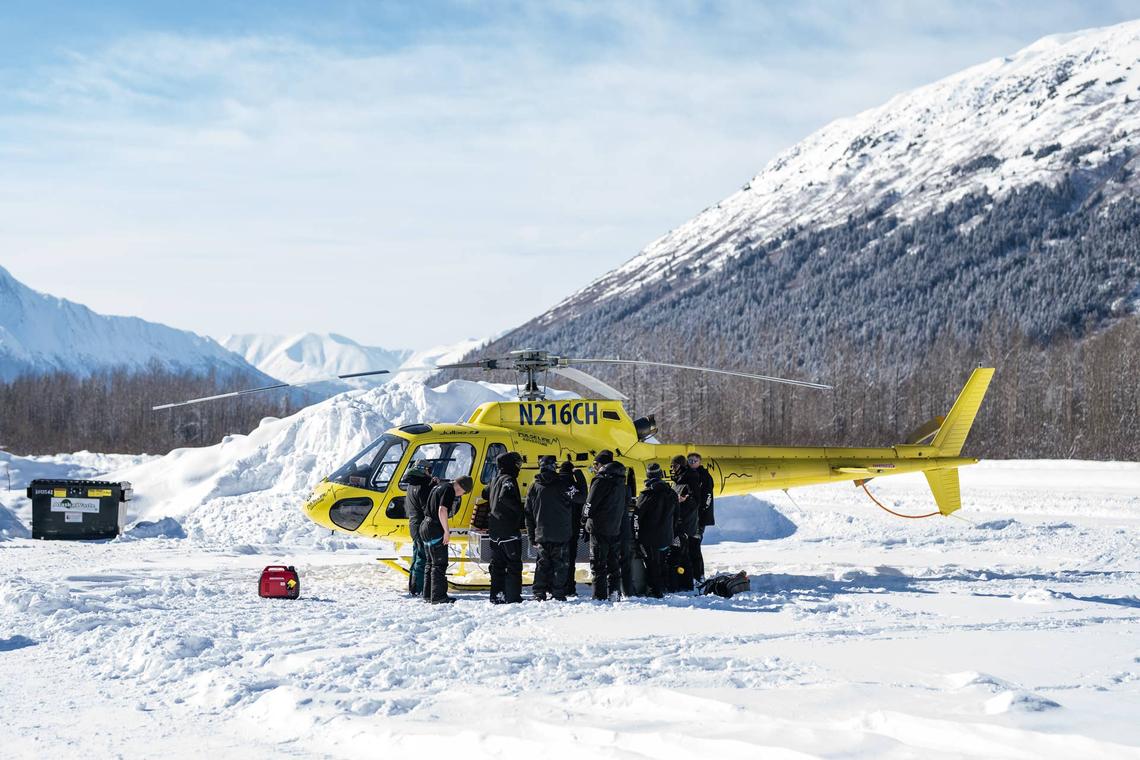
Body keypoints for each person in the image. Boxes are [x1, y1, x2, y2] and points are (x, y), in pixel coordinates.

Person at [419, 475, 473, 604]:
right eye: (463, 493)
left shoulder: (439, 486)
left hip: (425, 526)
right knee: (439, 564)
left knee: (430, 563)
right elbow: (442, 510)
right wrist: (446, 531)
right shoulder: (449, 490)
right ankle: (438, 597)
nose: (460, 496)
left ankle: (428, 595)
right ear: (462, 487)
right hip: (435, 528)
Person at [525, 455, 571, 601]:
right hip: (561, 532)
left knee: (542, 564)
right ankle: (558, 593)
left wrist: (531, 535)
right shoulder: (563, 484)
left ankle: (539, 592)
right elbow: (580, 497)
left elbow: (528, 513)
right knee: (560, 565)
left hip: (541, 532)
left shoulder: (534, 486)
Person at [582, 449, 626, 601]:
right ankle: (614, 592)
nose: (594, 467)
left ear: (602, 464)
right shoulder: (620, 480)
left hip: (599, 528)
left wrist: (584, 519)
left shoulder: (600, 480)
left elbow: (589, 504)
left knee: (598, 564)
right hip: (615, 527)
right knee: (613, 564)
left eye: (595, 464)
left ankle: (599, 596)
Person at [635, 462, 676, 598]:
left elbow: (637, 515)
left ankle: (655, 590)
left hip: (650, 536)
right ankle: (662, 587)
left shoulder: (647, 494)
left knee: (652, 563)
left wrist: (636, 533)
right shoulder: (671, 493)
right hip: (666, 536)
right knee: (662, 562)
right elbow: (677, 515)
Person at [489, 451, 525, 604]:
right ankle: (513, 597)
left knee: (497, 565)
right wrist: (520, 510)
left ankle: (497, 596)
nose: (519, 468)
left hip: (495, 530)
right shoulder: (508, 480)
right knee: (514, 565)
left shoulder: (494, 479)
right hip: (508, 530)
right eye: (517, 464)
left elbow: (486, 494)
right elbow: (505, 497)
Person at [403, 461, 435, 596]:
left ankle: (413, 586)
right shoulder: (423, 486)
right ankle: (418, 589)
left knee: (416, 556)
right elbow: (426, 508)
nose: (430, 473)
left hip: (413, 525)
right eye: (429, 470)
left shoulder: (411, 485)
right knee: (422, 558)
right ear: (424, 470)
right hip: (421, 526)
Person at [669, 454, 700, 591]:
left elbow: (695, 501)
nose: (673, 469)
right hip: (680, 522)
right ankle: (683, 582)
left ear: (681, 466)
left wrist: (684, 501)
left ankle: (686, 583)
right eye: (672, 466)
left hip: (685, 523)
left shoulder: (689, 478)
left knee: (683, 554)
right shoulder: (679, 479)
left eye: (675, 466)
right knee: (681, 553)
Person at [557, 460, 588, 597]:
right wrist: (579, 475)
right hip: (572, 528)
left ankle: (555, 586)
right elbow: (583, 498)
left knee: (555, 560)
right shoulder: (574, 486)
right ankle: (569, 587)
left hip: (555, 529)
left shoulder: (554, 484)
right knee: (570, 560)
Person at [689, 452, 715, 581]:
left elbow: (708, 496)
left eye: (695, 460)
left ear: (700, 462)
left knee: (695, 544)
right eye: (690, 460)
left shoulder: (704, 476)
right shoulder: (689, 475)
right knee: (691, 545)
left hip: (700, 517)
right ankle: (694, 574)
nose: (692, 462)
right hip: (692, 516)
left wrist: (701, 509)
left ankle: (699, 574)